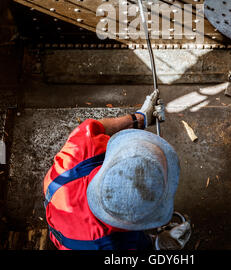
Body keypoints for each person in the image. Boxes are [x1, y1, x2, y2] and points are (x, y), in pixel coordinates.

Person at [43, 90, 180, 250]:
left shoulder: (77, 155)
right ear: (131, 221)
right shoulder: (114, 247)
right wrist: (160, 246)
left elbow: (97, 127)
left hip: (60, 220)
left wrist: (140, 118)